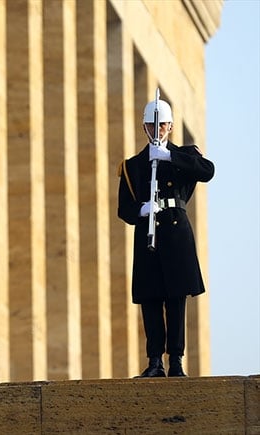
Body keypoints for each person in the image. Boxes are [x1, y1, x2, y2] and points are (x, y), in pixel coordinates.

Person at [117, 98, 215, 377]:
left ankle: (176, 361)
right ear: (143, 126)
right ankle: (154, 361)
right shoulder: (133, 165)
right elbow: (123, 209)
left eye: (161, 124)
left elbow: (207, 171)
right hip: (148, 237)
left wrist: (170, 157)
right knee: (151, 298)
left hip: (175, 234)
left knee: (175, 299)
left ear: (170, 126)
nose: (156, 129)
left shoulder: (183, 156)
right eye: (151, 124)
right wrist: (141, 210)